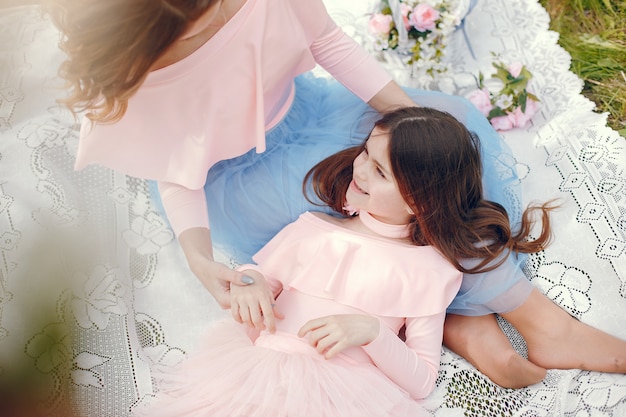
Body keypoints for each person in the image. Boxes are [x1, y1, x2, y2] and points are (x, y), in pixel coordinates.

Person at [44, 0, 626, 391]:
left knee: (434, 148)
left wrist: (419, 123)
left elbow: (325, 40)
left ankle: (487, 311)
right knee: (356, 204)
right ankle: (486, 316)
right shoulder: (135, 74)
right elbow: (175, 173)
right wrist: (200, 259)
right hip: (239, 177)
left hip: (313, 112)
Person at [133, 107, 552, 417]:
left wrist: (372, 333)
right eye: (366, 154)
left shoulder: (429, 270)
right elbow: (265, 282)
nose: (361, 170)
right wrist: (251, 282)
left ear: (421, 200)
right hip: (260, 371)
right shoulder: (312, 227)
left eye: (381, 172)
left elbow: (422, 380)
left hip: (345, 395)